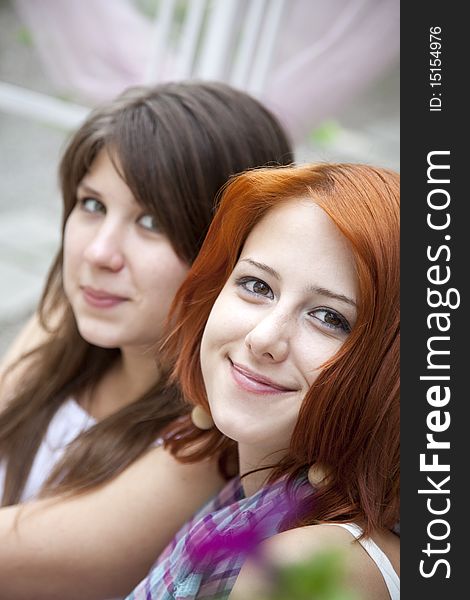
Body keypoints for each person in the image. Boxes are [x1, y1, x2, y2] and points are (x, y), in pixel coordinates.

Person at [0, 81, 293, 599]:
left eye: (150, 221)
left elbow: (29, 558)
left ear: (228, 252)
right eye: (91, 204)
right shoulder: (71, 318)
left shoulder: (215, 436)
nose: (99, 253)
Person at [126, 162, 400, 600]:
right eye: (256, 285)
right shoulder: (247, 485)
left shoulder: (311, 565)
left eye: (329, 317)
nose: (263, 338)